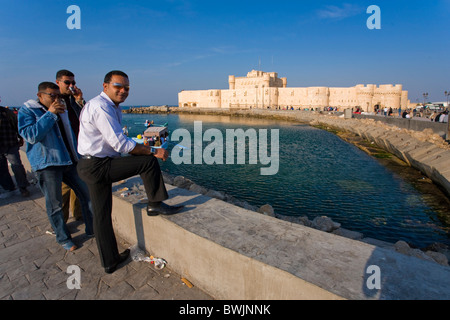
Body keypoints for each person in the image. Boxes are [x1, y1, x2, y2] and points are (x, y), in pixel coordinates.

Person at [77, 70, 183, 274]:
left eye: (127, 87)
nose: (123, 91)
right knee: (147, 161)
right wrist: (154, 150)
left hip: (89, 165)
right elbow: (120, 144)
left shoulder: (107, 106)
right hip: (98, 166)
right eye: (118, 86)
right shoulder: (101, 107)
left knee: (101, 216)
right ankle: (155, 204)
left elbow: (116, 142)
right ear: (105, 86)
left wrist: (137, 146)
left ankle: (110, 262)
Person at [18, 82, 94, 251]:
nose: (56, 99)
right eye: (52, 95)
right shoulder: (28, 110)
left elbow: (78, 125)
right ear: (40, 95)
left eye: (58, 96)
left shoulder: (64, 107)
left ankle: (92, 229)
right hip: (48, 163)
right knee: (55, 204)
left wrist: (79, 101)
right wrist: (50, 114)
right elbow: (30, 136)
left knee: (87, 194)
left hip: (70, 159)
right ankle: (63, 238)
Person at [56, 70, 85, 222]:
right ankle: (62, 223)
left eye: (73, 82)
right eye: (67, 82)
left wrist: (80, 100)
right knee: (63, 190)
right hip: (63, 151)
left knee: (79, 186)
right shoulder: (54, 101)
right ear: (58, 83)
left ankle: (79, 215)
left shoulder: (73, 101)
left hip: (78, 149)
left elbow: (86, 118)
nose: (71, 85)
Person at [0, 102, 30, 197]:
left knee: (17, 165)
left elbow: (16, 125)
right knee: (2, 168)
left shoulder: (6, 112)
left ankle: (23, 187)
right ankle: (9, 187)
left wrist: (20, 137)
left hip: (10, 143)